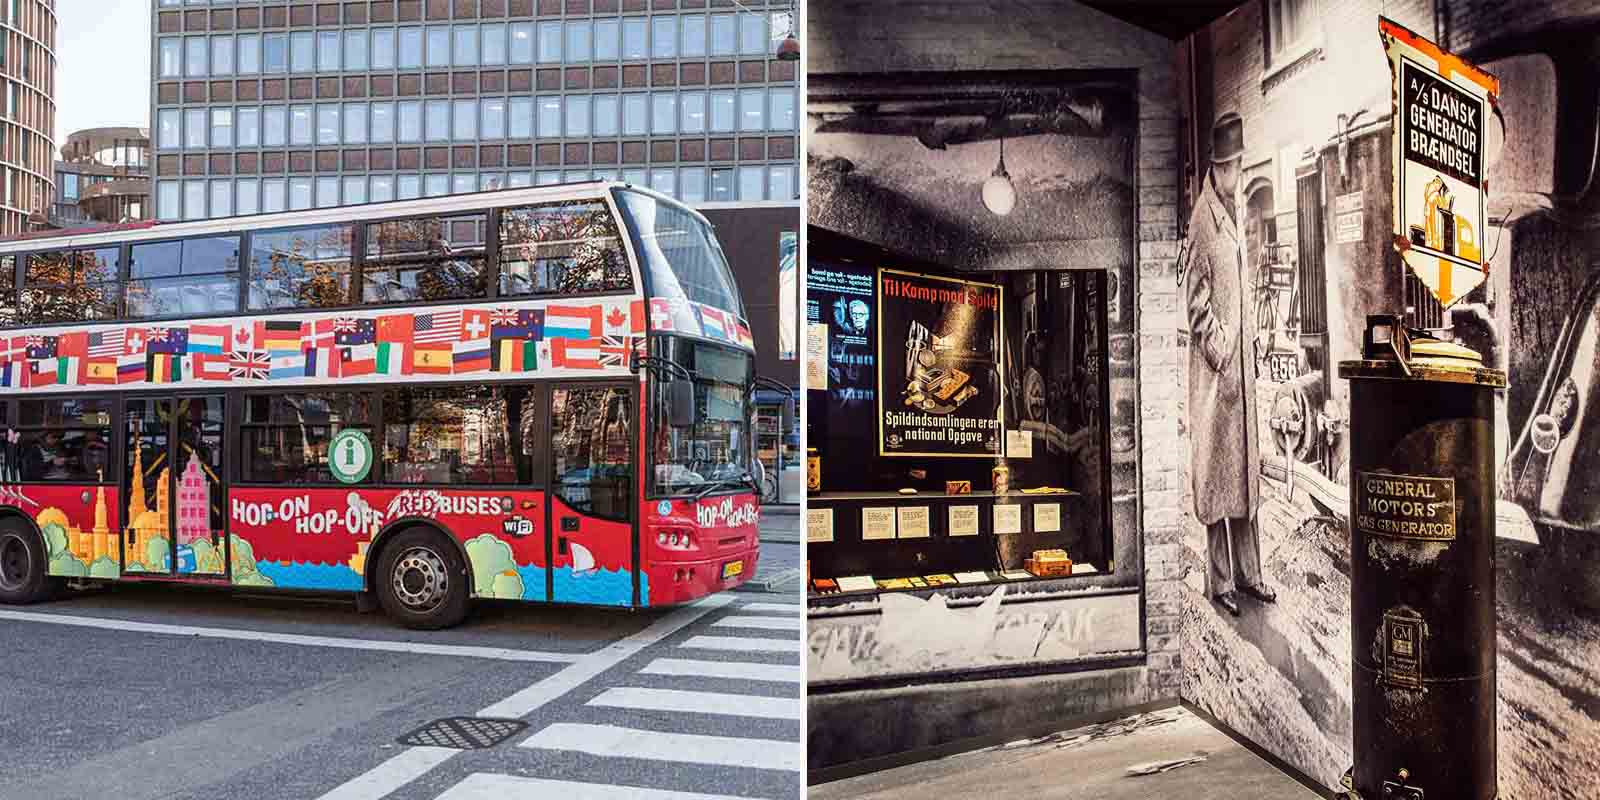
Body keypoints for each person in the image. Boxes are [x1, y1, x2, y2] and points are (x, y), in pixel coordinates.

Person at [1182, 112, 1276, 616]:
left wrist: (1251, 349)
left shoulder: (1233, 210)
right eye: (1230, 166)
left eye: (1239, 165)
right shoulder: (1203, 218)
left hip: (1242, 369)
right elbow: (1196, 305)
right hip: (1219, 378)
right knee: (1218, 481)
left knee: (1244, 478)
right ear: (1216, 169)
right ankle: (1220, 583)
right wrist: (1222, 357)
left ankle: (1252, 575)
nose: (1236, 174)